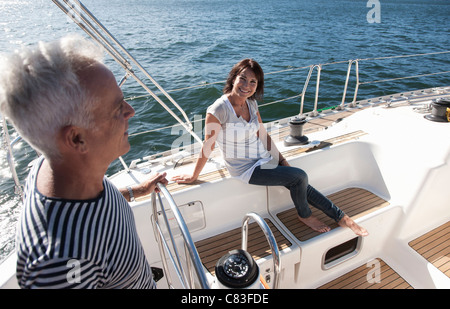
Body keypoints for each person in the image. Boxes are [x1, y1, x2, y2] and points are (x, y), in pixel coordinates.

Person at [0, 35, 168, 288]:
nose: (130, 112)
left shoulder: (60, 170)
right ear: (77, 138)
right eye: (116, 108)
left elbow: (90, 212)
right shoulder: (58, 263)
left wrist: (137, 190)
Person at [172, 59, 368, 237]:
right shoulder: (218, 109)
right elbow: (208, 145)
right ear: (233, 79)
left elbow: (263, 136)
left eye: (253, 82)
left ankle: (341, 217)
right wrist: (193, 176)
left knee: (298, 180)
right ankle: (306, 215)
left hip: (262, 159)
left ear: (258, 86)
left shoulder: (251, 104)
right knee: (299, 177)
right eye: (243, 79)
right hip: (245, 169)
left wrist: (282, 161)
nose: (246, 86)